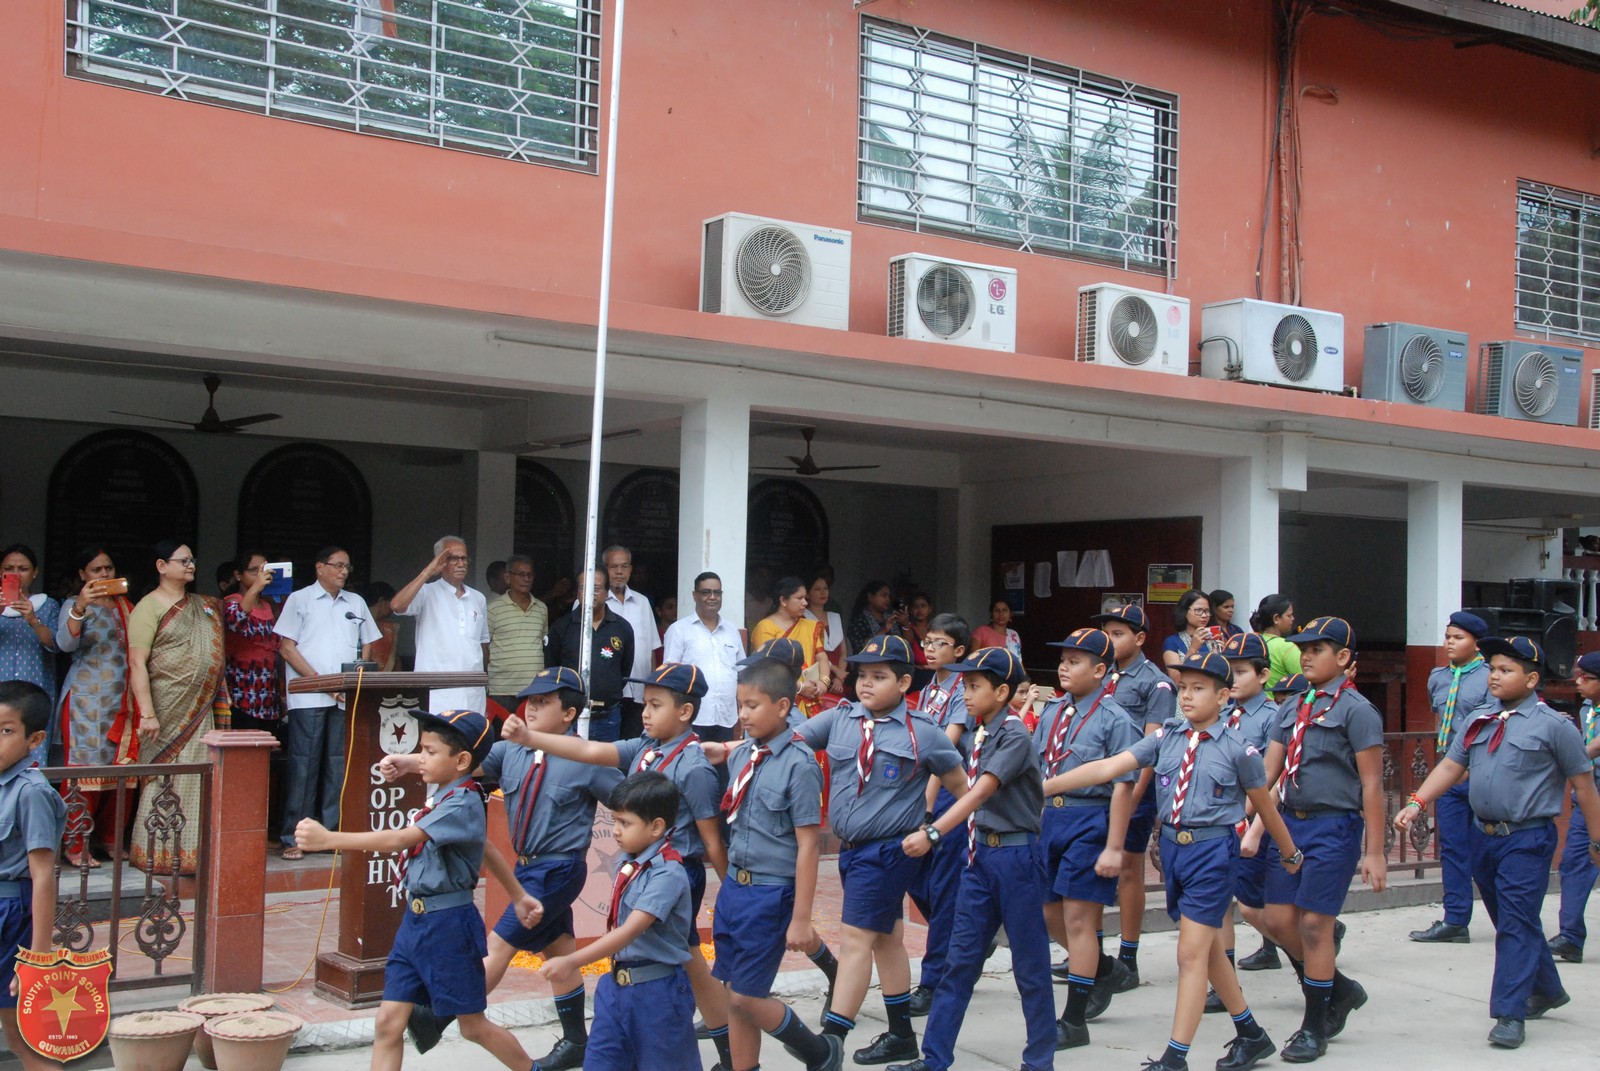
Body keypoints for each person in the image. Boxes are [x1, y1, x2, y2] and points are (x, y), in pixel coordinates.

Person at [1042, 651, 1303, 1071]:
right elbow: (1110, 767)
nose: (1186, 696)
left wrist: (1289, 852)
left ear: (1223, 696)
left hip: (1212, 853)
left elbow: (1265, 806)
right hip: (1174, 852)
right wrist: (1044, 786)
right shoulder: (1167, 737)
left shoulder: (1240, 750)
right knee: (1208, 951)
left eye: (1199, 689)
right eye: (1182, 687)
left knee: (1189, 955)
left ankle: (1175, 1057)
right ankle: (1251, 1034)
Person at [381, 667, 622, 1068]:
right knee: (558, 945)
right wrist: (407, 763)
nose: (531, 709)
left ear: (569, 714)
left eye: (543, 702)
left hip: (559, 868)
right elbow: (464, 762)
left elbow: (628, 800)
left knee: (499, 944)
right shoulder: (511, 750)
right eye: (529, 701)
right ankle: (576, 1040)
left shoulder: (587, 759)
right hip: (526, 866)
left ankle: (441, 1017)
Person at [513, 663, 732, 1070]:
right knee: (689, 964)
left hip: (674, 874)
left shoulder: (694, 767)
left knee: (684, 963)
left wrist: (730, 891)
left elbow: (711, 838)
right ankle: (726, 1052)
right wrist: (530, 737)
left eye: (655, 705)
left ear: (685, 712)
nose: (645, 713)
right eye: (644, 704)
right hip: (639, 869)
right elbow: (591, 752)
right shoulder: (646, 747)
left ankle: (728, 1054)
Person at [296, 708, 539, 1071]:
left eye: (428, 751)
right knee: (388, 1022)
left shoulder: (461, 802)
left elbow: (400, 839)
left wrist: (328, 839)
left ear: (461, 761)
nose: (420, 758)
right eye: (420, 749)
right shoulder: (447, 793)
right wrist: (518, 896)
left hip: (449, 926)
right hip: (415, 923)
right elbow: (485, 846)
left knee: (473, 1027)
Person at [1396, 635, 1600, 1050]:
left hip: (1527, 838)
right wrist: (1417, 802)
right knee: (1513, 919)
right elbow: (1451, 766)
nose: (1494, 676)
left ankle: (1510, 1012)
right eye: (1492, 668)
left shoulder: (1555, 726)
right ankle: (1547, 988)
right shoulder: (1479, 719)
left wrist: (1596, 839)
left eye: (1506, 670)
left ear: (1532, 679)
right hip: (1483, 835)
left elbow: (1584, 785)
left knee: (1515, 923)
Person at [781, 635, 966, 1065]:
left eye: (879, 676)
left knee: (856, 940)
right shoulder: (841, 718)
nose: (866, 683)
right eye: (862, 674)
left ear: (903, 683)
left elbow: (965, 791)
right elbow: (786, 741)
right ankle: (901, 1034)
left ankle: (831, 1040)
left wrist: (934, 832)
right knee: (887, 939)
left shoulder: (923, 732)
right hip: (852, 852)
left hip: (887, 853)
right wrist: (730, 749)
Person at [890, 646, 1053, 1071]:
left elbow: (980, 791)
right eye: (964, 684)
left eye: (974, 685)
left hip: (1016, 858)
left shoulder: (1014, 734)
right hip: (980, 856)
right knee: (959, 962)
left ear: (1002, 692)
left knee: (1030, 966)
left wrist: (934, 831)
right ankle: (934, 1059)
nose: (965, 693)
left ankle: (1040, 1061)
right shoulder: (981, 731)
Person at [1258, 616, 1386, 1063]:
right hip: (1289, 824)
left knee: (1315, 925)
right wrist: (1244, 816)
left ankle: (1314, 1025)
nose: (1307, 656)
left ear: (1344, 657)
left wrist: (1375, 851)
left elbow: (1372, 784)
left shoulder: (1357, 710)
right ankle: (1341, 988)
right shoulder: (1292, 706)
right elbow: (1268, 773)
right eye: (1304, 649)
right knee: (1277, 920)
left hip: (1333, 826)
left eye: (1318, 649)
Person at [710, 658, 843, 1071]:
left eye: (752, 706)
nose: (743, 715)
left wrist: (801, 918)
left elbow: (808, 846)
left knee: (746, 997)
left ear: (783, 706)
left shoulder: (800, 764)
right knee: (732, 991)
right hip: (735, 889)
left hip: (770, 894)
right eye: (740, 705)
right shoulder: (742, 756)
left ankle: (819, 1052)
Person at [537, 771, 701, 1071]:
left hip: (657, 992)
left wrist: (571, 961)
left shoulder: (667, 874)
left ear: (656, 827)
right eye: (614, 821)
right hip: (615, 987)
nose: (615, 831)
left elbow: (630, 931)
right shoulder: (628, 862)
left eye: (625, 823)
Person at [1034, 627, 1141, 1044]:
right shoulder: (1052, 712)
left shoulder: (1116, 719)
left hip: (1089, 820)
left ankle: (1074, 1020)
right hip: (1050, 819)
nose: (1064, 667)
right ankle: (1105, 970)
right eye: (1062, 660)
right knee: (1050, 913)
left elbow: (1123, 787)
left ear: (1100, 671)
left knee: (1079, 919)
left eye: (1074, 661)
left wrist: (1114, 846)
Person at [1087, 602, 1175, 992]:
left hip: (1132, 787)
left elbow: (1152, 746)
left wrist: (1136, 797)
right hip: (1096, 788)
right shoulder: (1102, 674)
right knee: (1090, 867)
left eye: (1118, 633)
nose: (1109, 639)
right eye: (1106, 632)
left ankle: (1128, 957)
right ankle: (1090, 955)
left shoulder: (1155, 683)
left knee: (1128, 869)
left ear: (1139, 638)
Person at [126, 541, 230, 875]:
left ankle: (191, 854)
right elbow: (137, 663)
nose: (190, 565)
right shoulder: (148, 607)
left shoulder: (204, 606)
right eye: (183, 560)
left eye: (192, 560)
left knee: (197, 776)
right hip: (165, 708)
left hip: (200, 710)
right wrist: (147, 713)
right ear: (161, 566)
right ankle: (153, 853)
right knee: (163, 776)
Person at [274, 546, 380, 860]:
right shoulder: (300, 599)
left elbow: (368, 642)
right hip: (309, 694)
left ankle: (331, 833)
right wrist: (321, 682)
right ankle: (295, 837)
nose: (343, 572)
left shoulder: (356, 602)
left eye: (347, 567)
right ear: (320, 567)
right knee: (304, 765)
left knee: (338, 764)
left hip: (344, 696)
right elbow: (287, 648)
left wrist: (357, 674)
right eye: (337, 565)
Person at [1409, 610, 1491, 945]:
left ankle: (1509, 916)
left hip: (1481, 773)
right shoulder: (1438, 677)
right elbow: (1441, 718)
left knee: (1486, 850)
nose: (1450, 643)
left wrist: (1469, 766)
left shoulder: (1490, 677)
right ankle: (1456, 919)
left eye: (1458, 638)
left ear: (1476, 643)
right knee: (1452, 847)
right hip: (1449, 773)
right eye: (1447, 637)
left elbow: (1491, 726)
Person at [1210, 633, 1282, 1008]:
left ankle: (1308, 950)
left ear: (1263, 674)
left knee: (1254, 905)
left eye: (1240, 672)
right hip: (1221, 820)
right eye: (1228, 672)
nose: (1233, 679)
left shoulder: (1273, 718)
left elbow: (1272, 777)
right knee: (1221, 902)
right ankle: (1225, 985)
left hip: (1254, 821)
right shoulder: (1221, 713)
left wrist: (1249, 823)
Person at [906, 613, 972, 1017]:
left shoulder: (964, 690)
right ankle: (970, 936)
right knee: (916, 879)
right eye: (927, 642)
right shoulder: (929, 686)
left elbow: (943, 751)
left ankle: (933, 981)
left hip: (949, 792)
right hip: (924, 789)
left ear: (959, 651)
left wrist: (927, 806)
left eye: (939, 643)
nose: (929, 649)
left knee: (945, 886)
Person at [55, 546, 136, 867]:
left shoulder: (126, 605)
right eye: (96, 569)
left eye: (108, 568)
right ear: (82, 575)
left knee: (122, 772)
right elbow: (64, 644)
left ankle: (110, 838)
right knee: (84, 773)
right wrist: (81, 606)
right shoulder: (73, 605)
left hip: (123, 701)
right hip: (85, 703)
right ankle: (75, 844)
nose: (104, 574)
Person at [0, 681, 66, 1071]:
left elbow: (43, 875)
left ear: (35, 739)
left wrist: (38, 958)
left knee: (22, 1033)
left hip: (12, 916)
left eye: (6, 730)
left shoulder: (31, 792)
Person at [392, 537, 489, 715]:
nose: (461, 563)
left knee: (471, 733)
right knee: (436, 732)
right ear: (440, 561)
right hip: (436, 691)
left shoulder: (478, 598)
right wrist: (427, 572)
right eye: (453, 559)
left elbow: (483, 643)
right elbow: (397, 606)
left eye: (464, 558)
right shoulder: (426, 592)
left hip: (472, 690)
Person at [1550, 651, 1600, 963]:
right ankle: (1570, 936)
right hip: (1591, 795)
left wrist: (1571, 756)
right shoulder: (1587, 710)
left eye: (1587, 678)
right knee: (1575, 861)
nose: (1578, 683)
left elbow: (1592, 748)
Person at [546, 570, 634, 743]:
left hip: (608, 718)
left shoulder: (622, 628)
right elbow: (552, 668)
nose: (589, 593)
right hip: (569, 718)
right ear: (577, 592)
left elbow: (625, 669)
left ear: (607, 593)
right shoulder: (562, 627)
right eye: (583, 588)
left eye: (596, 588)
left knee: (605, 761)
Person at [662, 572, 745, 745]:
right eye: (706, 592)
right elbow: (669, 675)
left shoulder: (731, 631)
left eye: (717, 593)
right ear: (695, 595)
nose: (712, 597)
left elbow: (742, 672)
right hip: (692, 717)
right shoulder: (679, 630)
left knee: (722, 761)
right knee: (692, 761)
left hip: (726, 716)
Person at [0, 544, 61, 763]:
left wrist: (33, 620)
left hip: (35, 688)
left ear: (35, 573)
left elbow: (55, 645)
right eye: (9, 568)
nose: (16, 574)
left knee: (34, 742)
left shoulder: (48, 605)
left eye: (23, 569)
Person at [751, 577, 830, 719]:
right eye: (799, 598)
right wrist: (799, 687)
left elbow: (822, 656)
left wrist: (823, 683)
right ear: (783, 600)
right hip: (779, 699)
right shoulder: (765, 628)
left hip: (811, 699)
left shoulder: (808, 626)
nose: (805, 603)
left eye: (805, 598)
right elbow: (767, 668)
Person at [222, 551, 283, 733]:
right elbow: (236, 620)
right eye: (254, 570)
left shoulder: (269, 605)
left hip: (269, 695)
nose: (260, 575)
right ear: (238, 575)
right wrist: (256, 587)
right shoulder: (230, 602)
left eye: (264, 570)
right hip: (242, 693)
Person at [604, 546, 661, 740]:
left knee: (634, 744)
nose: (619, 572)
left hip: (639, 689)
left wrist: (652, 687)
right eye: (614, 567)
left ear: (630, 569)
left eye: (624, 566)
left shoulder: (642, 602)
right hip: (606, 692)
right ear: (604, 569)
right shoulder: (591, 601)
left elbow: (651, 648)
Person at [486, 554, 548, 714]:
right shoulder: (493, 608)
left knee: (531, 731)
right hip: (502, 690)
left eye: (530, 575)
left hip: (533, 689)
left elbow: (542, 641)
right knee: (502, 730)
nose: (526, 579)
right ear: (508, 577)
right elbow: (484, 646)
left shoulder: (541, 609)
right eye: (521, 574)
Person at [805, 572, 849, 699]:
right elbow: (811, 653)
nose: (823, 592)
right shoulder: (803, 619)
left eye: (825, 588)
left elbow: (843, 653)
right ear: (807, 594)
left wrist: (839, 678)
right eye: (817, 589)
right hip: (816, 678)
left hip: (838, 682)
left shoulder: (835, 617)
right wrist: (836, 670)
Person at [1163, 590, 1220, 678]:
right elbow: (1176, 678)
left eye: (1207, 611)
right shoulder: (1172, 642)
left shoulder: (1214, 639)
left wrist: (1222, 655)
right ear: (1185, 611)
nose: (1204, 615)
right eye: (1198, 610)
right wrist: (1193, 649)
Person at [1250, 595, 1299, 689]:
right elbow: (1303, 679)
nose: (1293, 618)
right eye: (1289, 615)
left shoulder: (1254, 642)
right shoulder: (1286, 646)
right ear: (1276, 618)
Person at [847, 580, 902, 654]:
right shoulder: (859, 621)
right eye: (883, 595)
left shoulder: (890, 618)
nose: (888, 599)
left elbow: (903, 645)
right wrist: (884, 629)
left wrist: (906, 625)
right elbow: (860, 647)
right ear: (870, 597)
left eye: (888, 596)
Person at [365, 582, 399, 672]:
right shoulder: (361, 623)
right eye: (391, 602)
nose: (393, 609)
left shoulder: (387, 626)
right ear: (382, 601)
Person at [903, 594, 934, 666]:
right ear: (911, 610)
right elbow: (905, 649)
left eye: (923, 606)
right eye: (915, 606)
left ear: (930, 609)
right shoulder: (908, 629)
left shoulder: (936, 629)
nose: (919, 610)